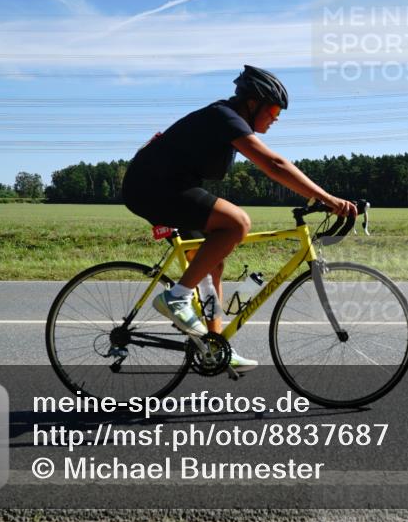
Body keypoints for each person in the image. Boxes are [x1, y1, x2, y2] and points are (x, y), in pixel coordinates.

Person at [120, 65, 356, 371]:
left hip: (169, 186)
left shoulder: (228, 121)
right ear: (252, 103)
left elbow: (272, 165)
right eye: (273, 109)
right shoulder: (224, 117)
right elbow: (274, 164)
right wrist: (327, 198)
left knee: (212, 264)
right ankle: (176, 298)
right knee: (237, 223)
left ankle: (213, 347)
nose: (276, 117)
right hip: (151, 187)